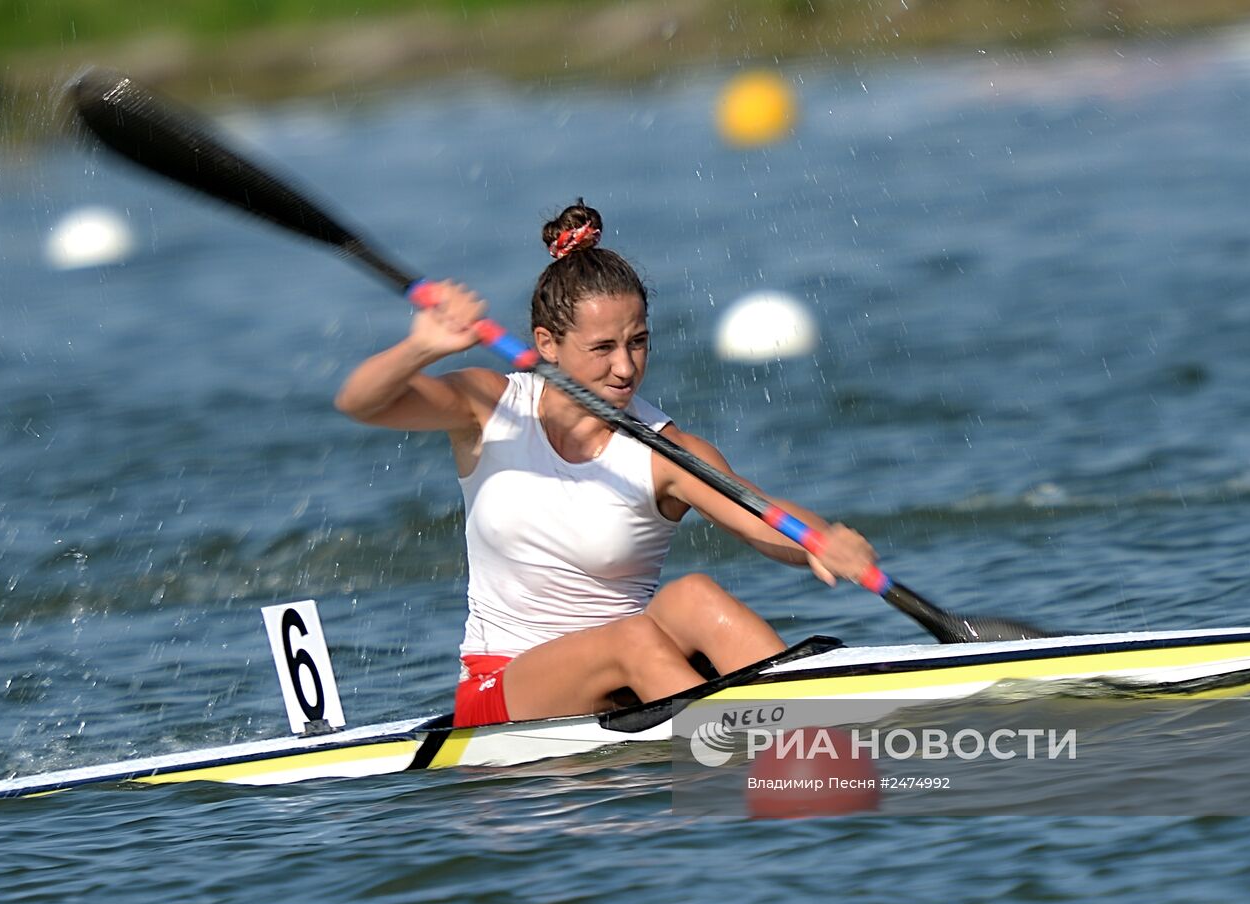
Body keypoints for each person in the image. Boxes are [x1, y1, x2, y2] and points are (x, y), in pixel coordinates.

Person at [335, 201, 879, 727]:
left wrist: (821, 542)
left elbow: (758, 515)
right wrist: (422, 349)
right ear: (547, 343)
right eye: (603, 348)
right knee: (633, 637)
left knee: (695, 596)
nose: (625, 367)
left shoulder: (665, 451)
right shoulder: (491, 408)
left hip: (632, 678)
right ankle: (740, 746)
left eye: (638, 342)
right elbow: (361, 403)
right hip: (502, 686)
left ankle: (818, 721)